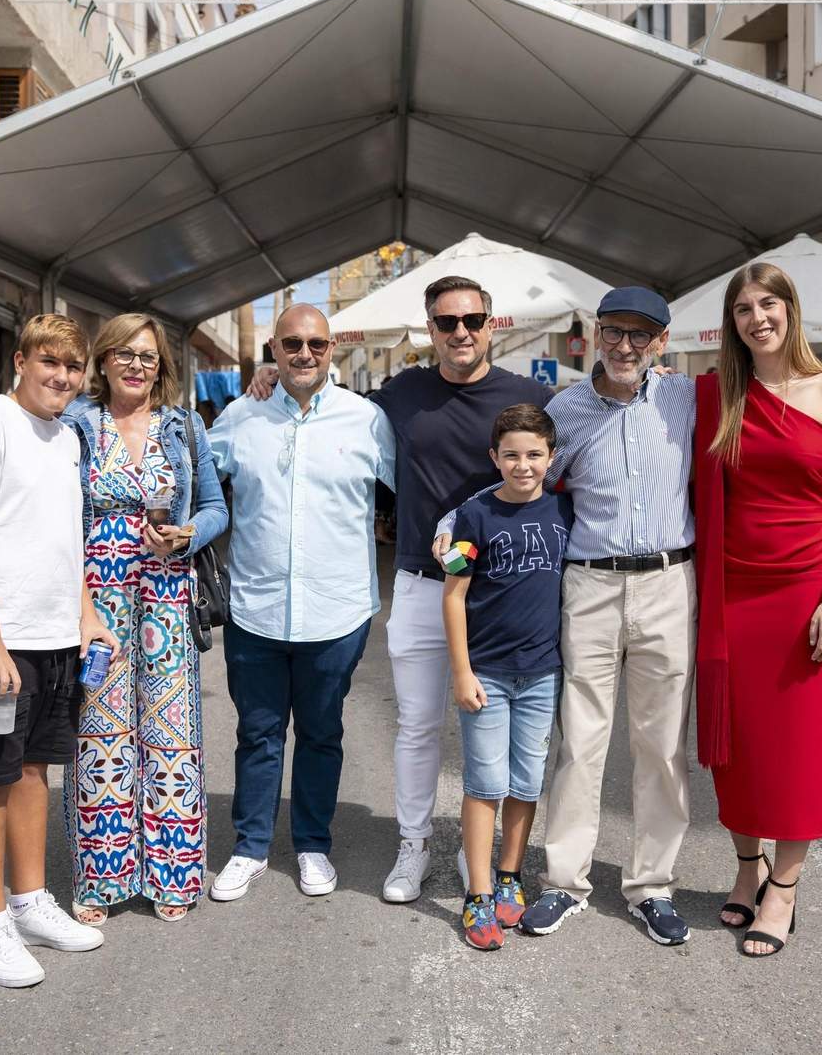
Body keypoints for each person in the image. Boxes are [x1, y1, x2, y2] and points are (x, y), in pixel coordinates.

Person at [247, 276, 551, 903]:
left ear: (492, 323)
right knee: (416, 726)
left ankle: (482, 856)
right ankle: (413, 844)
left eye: (471, 320)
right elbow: (326, 396)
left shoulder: (529, 395)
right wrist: (268, 375)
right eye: (446, 322)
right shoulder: (401, 394)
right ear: (429, 328)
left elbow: (559, 470)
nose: (460, 332)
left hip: (495, 596)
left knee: (488, 728)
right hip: (418, 584)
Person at [436, 286, 699, 946]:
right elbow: (518, 484)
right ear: (595, 334)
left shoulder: (685, 398)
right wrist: (454, 524)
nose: (627, 346)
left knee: (661, 746)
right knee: (580, 743)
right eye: (615, 331)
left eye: (642, 335)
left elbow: (762, 397)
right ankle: (564, 884)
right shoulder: (566, 411)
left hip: (669, 582)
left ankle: (652, 887)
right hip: (590, 587)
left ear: (662, 343)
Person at [0, 313, 114, 988]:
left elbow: (65, 537)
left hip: (57, 638)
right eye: (49, 363)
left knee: (36, 771)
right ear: (20, 360)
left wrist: (86, 615)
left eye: (72, 368)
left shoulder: (66, 436)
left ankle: (30, 901)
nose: (62, 377)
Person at [694, 263, 822, 958]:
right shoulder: (718, 397)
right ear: (732, 324)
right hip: (731, 595)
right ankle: (746, 867)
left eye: (768, 303)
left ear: (791, 310)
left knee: (795, 747)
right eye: (742, 308)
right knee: (734, 747)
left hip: (804, 594)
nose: (756, 317)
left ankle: (785, 889)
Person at [205, 303, 395, 903]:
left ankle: (313, 844)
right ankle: (250, 846)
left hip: (336, 610)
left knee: (321, 733)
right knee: (257, 733)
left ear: (331, 348)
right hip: (255, 608)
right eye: (291, 344)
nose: (304, 354)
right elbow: (196, 479)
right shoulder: (242, 414)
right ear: (273, 350)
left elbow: (414, 490)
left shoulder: (367, 420)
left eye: (315, 343)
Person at [60, 313, 228, 925]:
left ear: (162, 368)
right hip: (97, 597)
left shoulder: (183, 427)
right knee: (100, 735)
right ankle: (103, 879)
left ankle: (173, 875)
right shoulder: (78, 423)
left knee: (170, 729)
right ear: (103, 361)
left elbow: (214, 507)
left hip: (166, 594)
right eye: (125, 354)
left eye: (148, 357)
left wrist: (187, 536)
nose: (137, 364)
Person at [442, 404, 571, 950]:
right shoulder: (474, 517)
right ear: (494, 457)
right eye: (511, 455)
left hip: (543, 674)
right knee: (484, 784)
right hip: (488, 677)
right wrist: (462, 672)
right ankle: (477, 892)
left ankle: (509, 875)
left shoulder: (566, 511)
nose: (523, 465)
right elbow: (454, 595)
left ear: (551, 458)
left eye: (534, 455)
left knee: (525, 782)